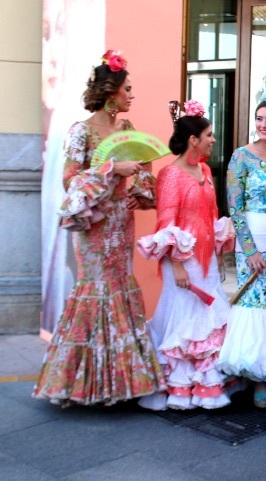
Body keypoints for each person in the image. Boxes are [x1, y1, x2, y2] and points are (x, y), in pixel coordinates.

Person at [33, 50, 165, 406]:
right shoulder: (82, 131)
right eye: (129, 89)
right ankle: (86, 383)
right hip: (95, 226)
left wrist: (140, 193)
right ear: (112, 93)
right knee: (95, 290)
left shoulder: (128, 130)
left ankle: (120, 383)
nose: (132, 95)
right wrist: (111, 170)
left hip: (122, 221)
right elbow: (69, 179)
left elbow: (143, 170)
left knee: (122, 287)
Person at [136, 100, 237, 410]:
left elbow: (212, 213)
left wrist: (218, 249)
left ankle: (205, 384)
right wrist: (177, 264)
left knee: (208, 320)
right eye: (209, 134)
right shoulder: (169, 175)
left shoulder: (205, 169)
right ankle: (179, 386)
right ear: (194, 140)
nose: (213, 139)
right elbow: (166, 223)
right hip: (182, 262)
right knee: (184, 320)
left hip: (206, 260)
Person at [217, 85, 266, 408]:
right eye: (259, 119)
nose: (263, 125)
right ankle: (253, 374)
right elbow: (234, 206)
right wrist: (248, 250)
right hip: (252, 241)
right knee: (253, 302)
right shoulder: (240, 156)